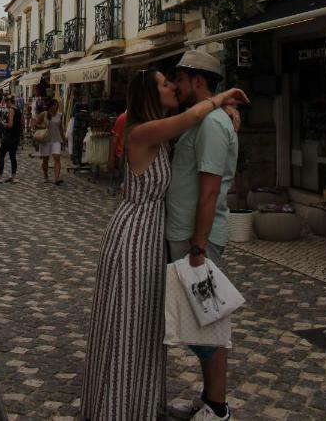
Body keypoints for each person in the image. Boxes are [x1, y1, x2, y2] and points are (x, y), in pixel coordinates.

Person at [80, 69, 248, 421]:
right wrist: (223, 98)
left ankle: (143, 402)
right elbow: (192, 116)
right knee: (128, 322)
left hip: (149, 234)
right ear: (149, 95)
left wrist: (220, 111)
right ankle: (118, 407)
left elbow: (196, 122)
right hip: (134, 235)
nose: (172, 85)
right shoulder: (143, 131)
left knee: (145, 324)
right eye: (164, 83)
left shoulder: (161, 130)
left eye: (174, 80)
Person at [167, 52, 240, 421]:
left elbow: (210, 189)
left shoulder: (212, 123)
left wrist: (198, 245)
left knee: (209, 321)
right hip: (187, 235)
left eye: (179, 79)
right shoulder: (203, 118)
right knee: (200, 321)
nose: (176, 86)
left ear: (197, 81)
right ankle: (209, 397)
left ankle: (218, 406)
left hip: (198, 241)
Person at [0, 96, 22, 183]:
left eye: (6, 103)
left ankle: (0, 176)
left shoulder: (11, 110)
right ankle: (13, 176)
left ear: (9, 102)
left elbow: (10, 125)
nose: (6, 105)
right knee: (12, 157)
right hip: (16, 136)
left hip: (9, 136)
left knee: (1, 155)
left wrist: (3, 123)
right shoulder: (18, 110)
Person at [34, 98, 66, 185]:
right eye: (54, 105)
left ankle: (56, 178)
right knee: (45, 159)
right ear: (50, 106)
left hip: (56, 139)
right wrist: (42, 127)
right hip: (46, 139)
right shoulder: (44, 114)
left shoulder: (59, 115)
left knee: (57, 158)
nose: (55, 107)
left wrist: (63, 139)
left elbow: (61, 128)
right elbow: (35, 124)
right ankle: (45, 175)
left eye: (57, 105)